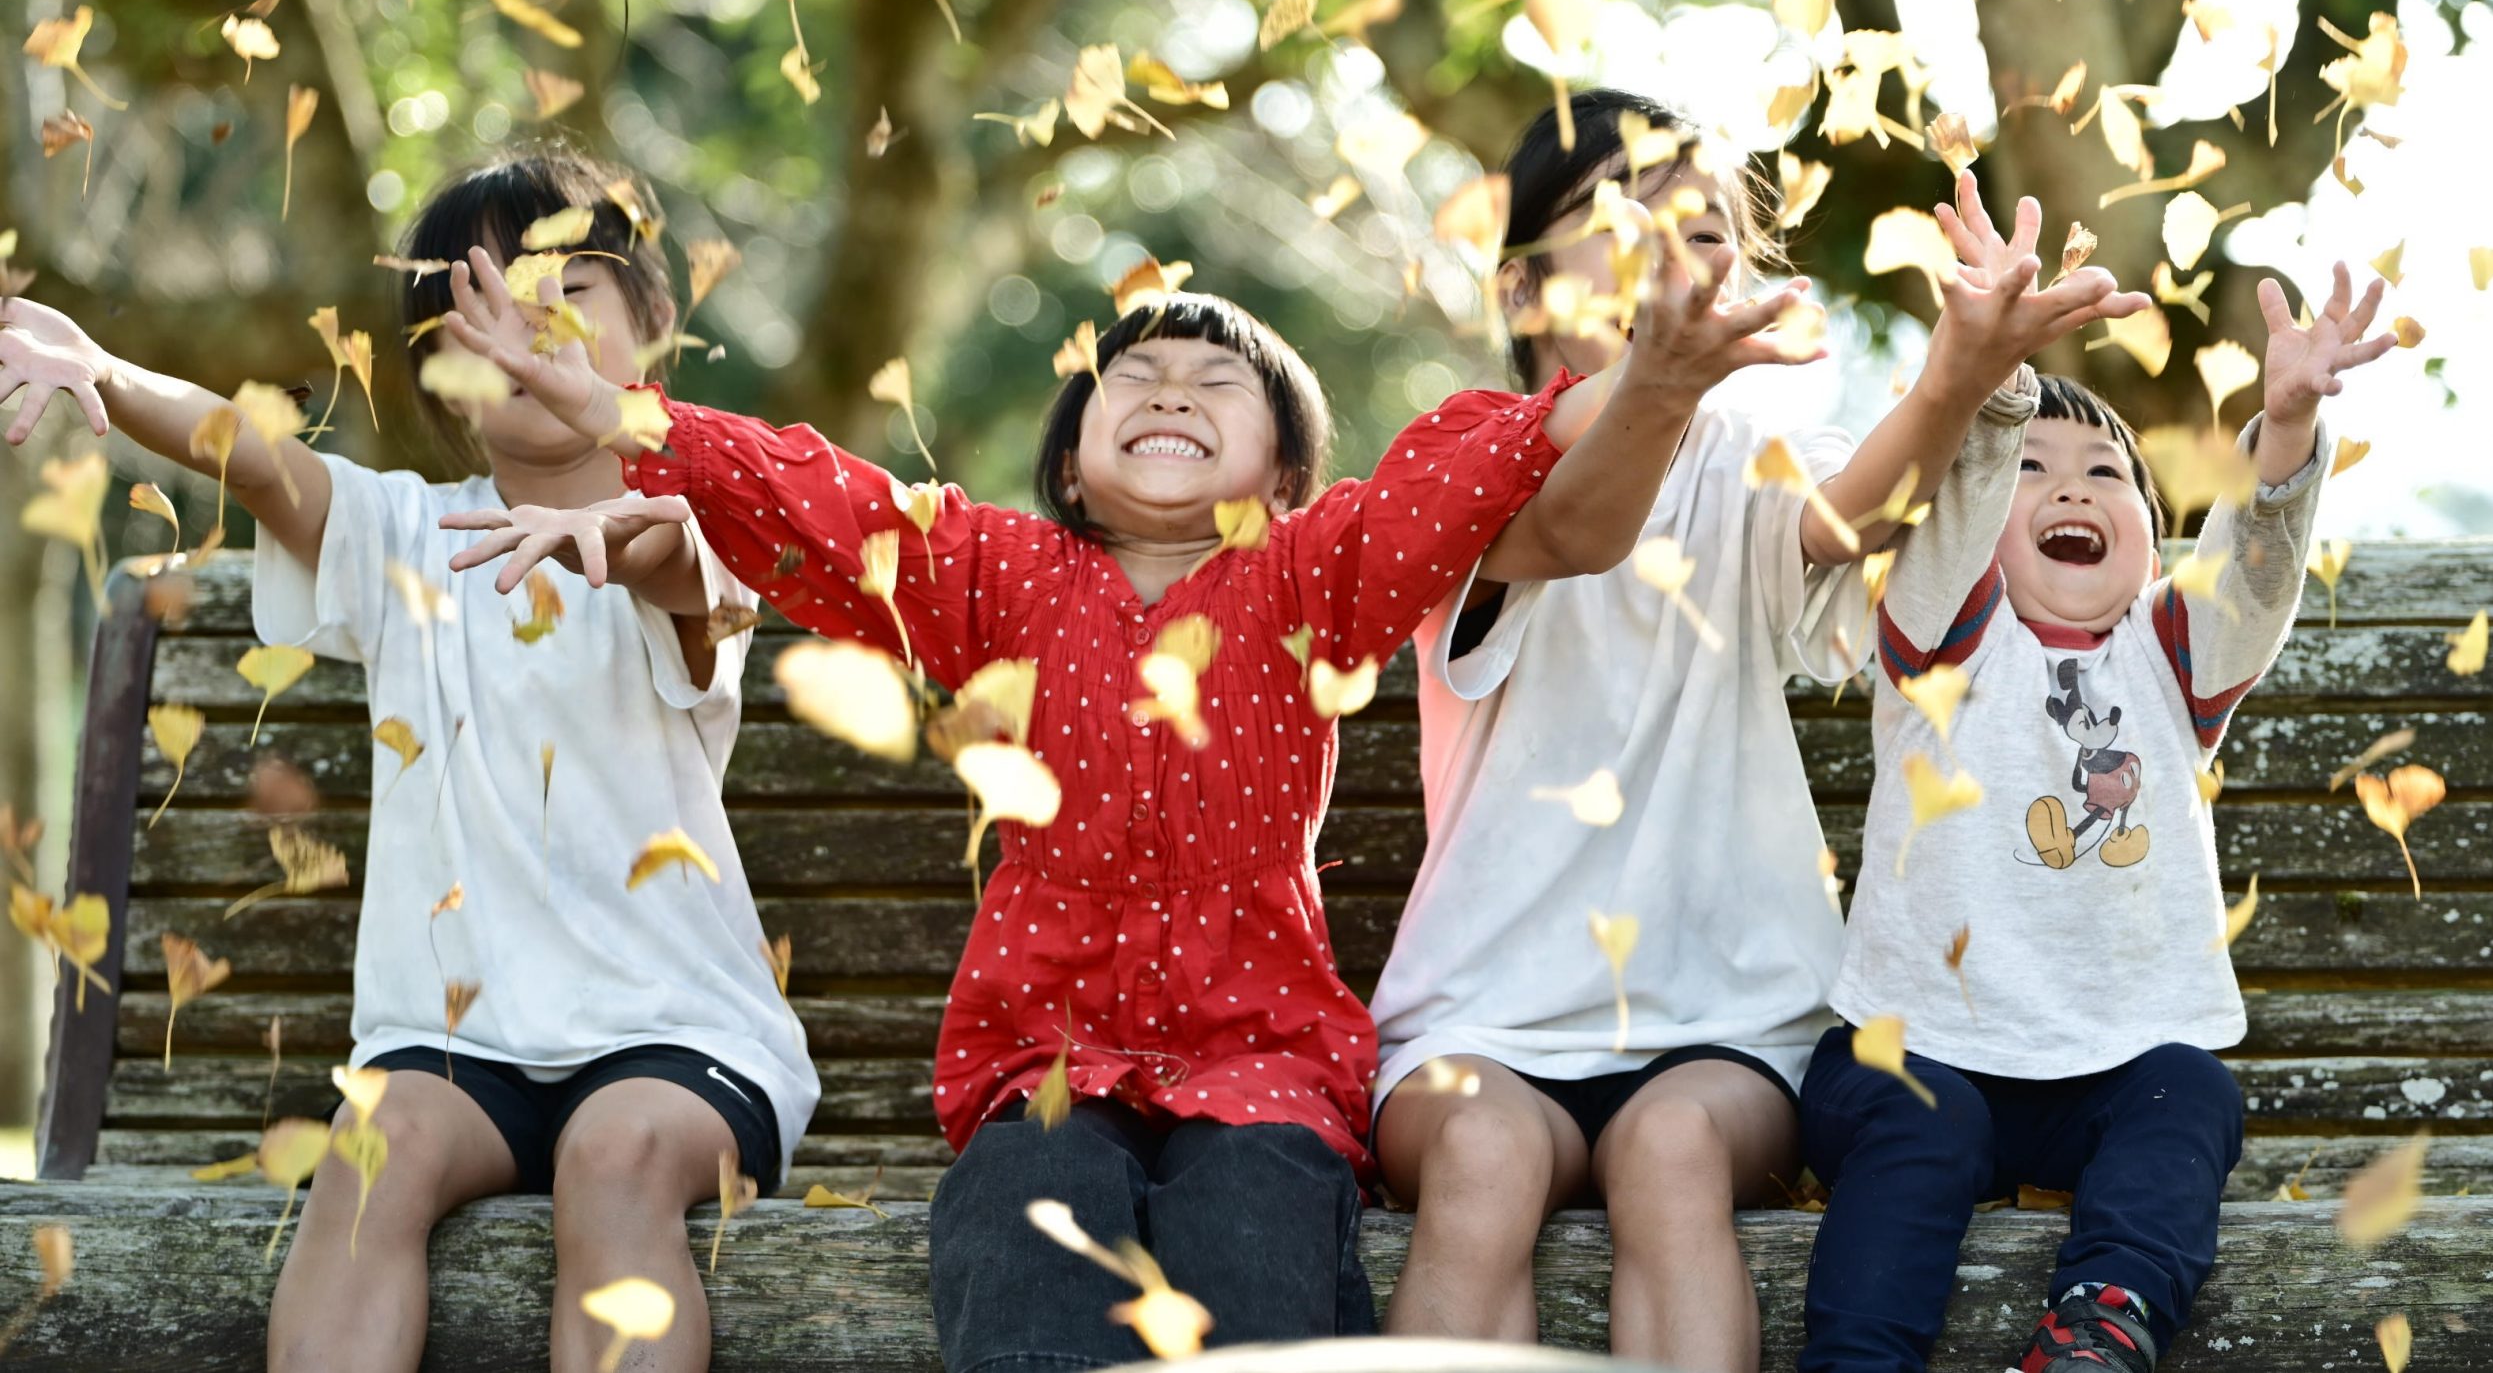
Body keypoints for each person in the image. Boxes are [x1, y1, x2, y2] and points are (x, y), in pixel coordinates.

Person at [431, 218, 1770, 1370]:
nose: (1173, 385)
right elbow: (822, 501)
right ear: (1072, 461)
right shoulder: (995, 573)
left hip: (1263, 1064)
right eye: (1135, 373)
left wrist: (1651, 368)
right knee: (1024, 1204)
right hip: (1047, 1057)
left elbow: (1475, 471)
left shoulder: (1313, 574)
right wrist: (612, 408)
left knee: (1260, 1229)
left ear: (1288, 478)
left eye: (1218, 378)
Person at [1366, 89, 2150, 1370]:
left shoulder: (1747, 461)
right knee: (1479, 1160)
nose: (1683, 236)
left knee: (1669, 1155)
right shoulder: (1460, 463)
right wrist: (1655, 386)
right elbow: (1578, 525)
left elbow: (1852, 519)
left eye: (1714, 220)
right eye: (1631, 207)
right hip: (1479, 1023)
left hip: (1721, 1027)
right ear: (1518, 292)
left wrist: (1963, 370)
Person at [0, 150, 818, 1373]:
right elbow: (263, 460)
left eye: (563, 293)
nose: (524, 329)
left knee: (614, 1161)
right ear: (440, 375)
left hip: (676, 1041)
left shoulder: (693, 536)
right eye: (478, 310)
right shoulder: (403, 534)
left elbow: (672, 569)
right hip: (452, 1049)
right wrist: (105, 373)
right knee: (366, 1155)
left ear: (654, 326)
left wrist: (610, 528)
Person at [1799, 262, 2393, 1373]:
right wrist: (1997, 393)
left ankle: (2099, 1325)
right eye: (2032, 471)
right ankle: (1856, 1361)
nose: (2071, 489)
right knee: (1928, 1130)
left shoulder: (2172, 656)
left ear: (2151, 533)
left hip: (2101, 1075)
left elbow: (2253, 575)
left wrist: (2288, 419)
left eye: (2103, 473)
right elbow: (1946, 524)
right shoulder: (1944, 637)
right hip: (1908, 1055)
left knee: (2194, 1095)